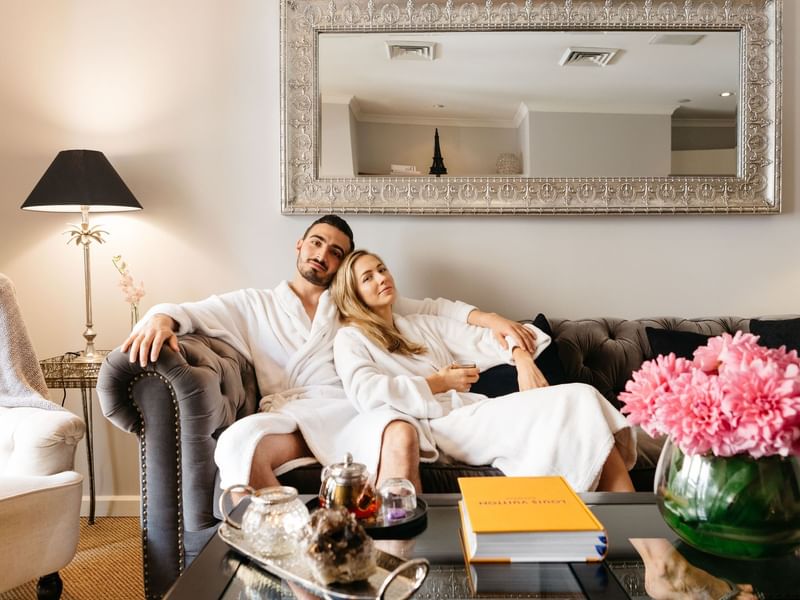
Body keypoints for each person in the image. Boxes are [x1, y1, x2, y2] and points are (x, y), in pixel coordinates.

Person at [121, 215, 537, 492]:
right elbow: (191, 311)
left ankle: (395, 556)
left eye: (336, 252)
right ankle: (298, 561)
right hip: (293, 414)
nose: (323, 254)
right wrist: (159, 320)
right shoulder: (255, 304)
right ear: (300, 245)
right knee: (240, 444)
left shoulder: (352, 304)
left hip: (354, 409)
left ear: (341, 266)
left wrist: (492, 319)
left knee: (399, 434)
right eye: (317, 243)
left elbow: (433, 309)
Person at [331, 249, 637, 492]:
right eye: (367, 277)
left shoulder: (419, 325)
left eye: (382, 269)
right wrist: (437, 383)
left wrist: (521, 358)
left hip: (470, 414)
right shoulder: (350, 337)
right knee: (577, 399)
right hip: (438, 426)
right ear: (353, 293)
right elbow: (366, 392)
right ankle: (645, 545)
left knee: (581, 399)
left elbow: (489, 339)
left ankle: (634, 539)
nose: (381, 278)